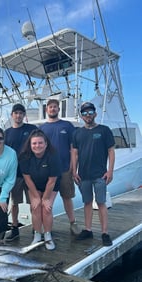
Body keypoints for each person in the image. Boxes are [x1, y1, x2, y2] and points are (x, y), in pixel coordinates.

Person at [72, 102, 115, 246]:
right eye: (84, 113)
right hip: (83, 175)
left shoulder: (104, 130)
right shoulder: (77, 133)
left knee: (101, 203)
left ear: (95, 114)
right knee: (87, 203)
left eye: (90, 112)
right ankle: (88, 230)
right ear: (81, 116)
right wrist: (74, 171)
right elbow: (75, 153)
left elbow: (111, 151)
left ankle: (105, 233)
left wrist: (110, 170)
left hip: (100, 175)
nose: (87, 115)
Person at [39, 99, 78, 235]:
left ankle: (73, 224)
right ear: (46, 110)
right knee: (47, 200)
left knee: (67, 198)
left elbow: (73, 148)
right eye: (50, 107)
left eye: (55, 107)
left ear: (58, 109)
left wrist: (73, 167)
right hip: (49, 172)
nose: (53, 109)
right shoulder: (42, 129)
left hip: (65, 169)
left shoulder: (67, 126)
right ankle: (45, 228)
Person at [19, 129, 62, 250]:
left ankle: (48, 235)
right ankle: (37, 235)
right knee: (36, 208)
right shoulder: (24, 157)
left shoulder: (53, 155)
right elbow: (27, 179)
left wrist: (46, 198)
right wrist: (37, 198)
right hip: (34, 184)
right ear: (30, 145)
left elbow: (52, 180)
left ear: (46, 144)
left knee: (47, 209)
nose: (37, 146)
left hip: (51, 184)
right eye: (34, 143)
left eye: (40, 143)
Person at [4, 103, 37, 241]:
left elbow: (39, 145)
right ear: (12, 115)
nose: (18, 115)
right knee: (14, 203)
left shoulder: (32, 129)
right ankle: (15, 228)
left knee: (33, 203)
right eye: (16, 113)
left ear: (24, 115)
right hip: (14, 174)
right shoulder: (6, 133)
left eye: (20, 113)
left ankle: (36, 229)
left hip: (30, 173)